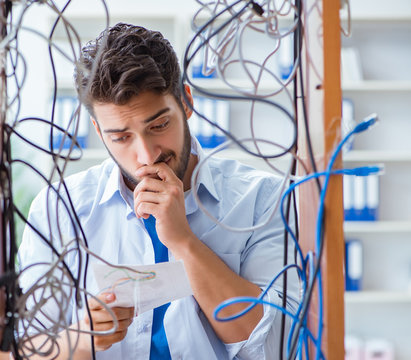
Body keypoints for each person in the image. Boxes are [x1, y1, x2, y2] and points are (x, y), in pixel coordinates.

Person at [18, 23, 299, 360]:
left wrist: (184, 243)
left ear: (186, 101)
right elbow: (24, 350)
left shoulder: (263, 200)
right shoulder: (58, 208)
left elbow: (276, 346)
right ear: (98, 130)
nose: (147, 155)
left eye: (159, 125)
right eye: (121, 137)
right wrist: (81, 338)